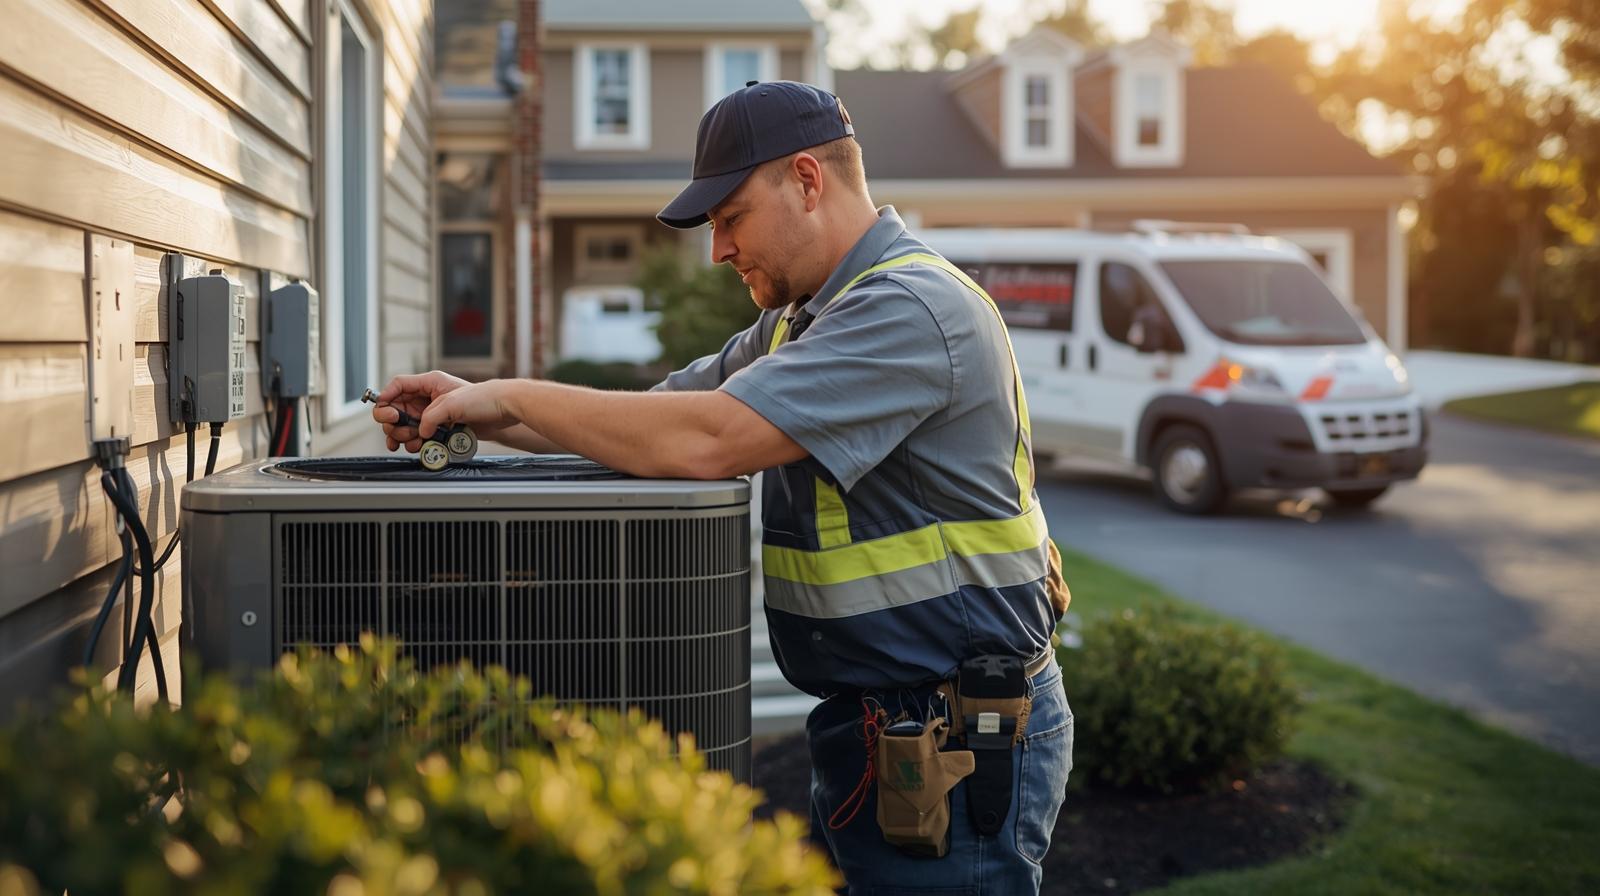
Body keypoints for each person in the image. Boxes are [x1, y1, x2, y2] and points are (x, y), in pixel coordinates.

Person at [372, 80, 1073, 894]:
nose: (718, 250)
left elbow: (708, 440)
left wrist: (513, 397)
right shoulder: (808, 319)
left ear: (807, 181)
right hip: (884, 727)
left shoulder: (911, 310)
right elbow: (658, 416)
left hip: (957, 739)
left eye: (730, 218)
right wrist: (475, 404)